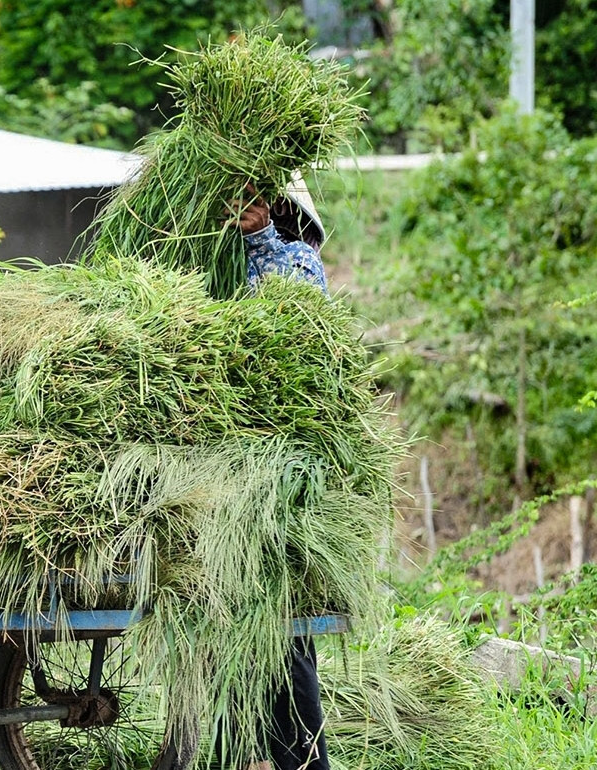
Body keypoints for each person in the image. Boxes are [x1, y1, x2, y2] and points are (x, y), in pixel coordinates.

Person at [232, 178, 331, 770]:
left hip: (280, 482)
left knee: (284, 633)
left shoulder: (298, 263)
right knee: (237, 642)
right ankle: (248, 756)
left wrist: (262, 237)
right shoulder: (227, 264)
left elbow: (286, 329)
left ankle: (302, 763)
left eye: (266, 209)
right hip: (236, 475)